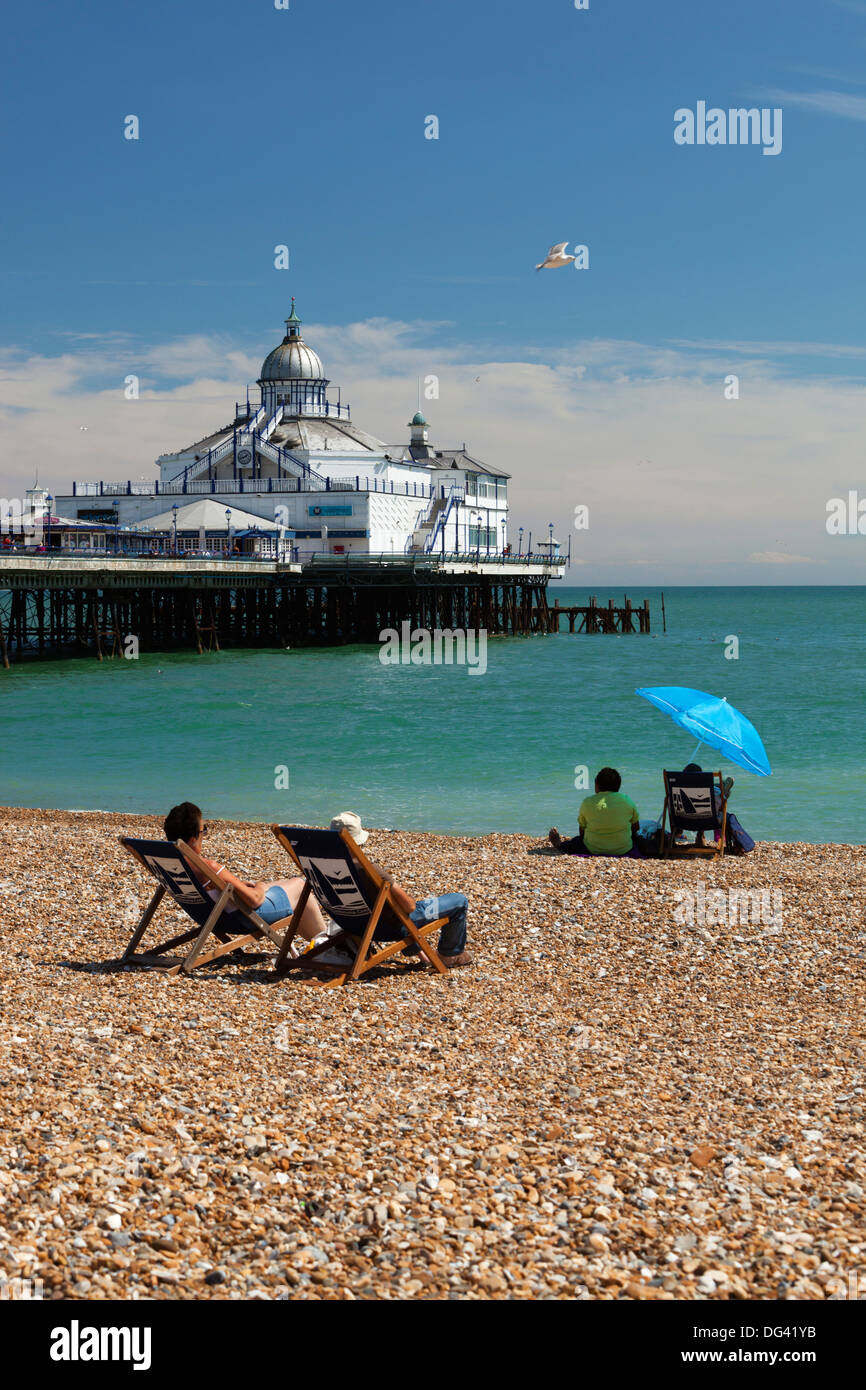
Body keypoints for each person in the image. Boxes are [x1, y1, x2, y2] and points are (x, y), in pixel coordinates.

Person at [329, 811, 473, 969]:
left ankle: (422, 953)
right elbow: (409, 908)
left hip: (352, 923)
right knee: (459, 900)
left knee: (391, 909)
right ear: (357, 841)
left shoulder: (323, 869)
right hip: (388, 926)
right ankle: (450, 955)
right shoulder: (370, 870)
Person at [163, 802, 327, 939]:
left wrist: (239, 886)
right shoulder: (209, 868)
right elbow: (255, 900)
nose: (204, 835)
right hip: (243, 919)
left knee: (283, 884)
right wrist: (260, 886)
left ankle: (316, 947)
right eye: (203, 831)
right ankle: (325, 946)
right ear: (193, 839)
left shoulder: (168, 864)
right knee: (300, 885)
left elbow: (212, 890)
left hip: (211, 917)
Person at [548, 766, 640, 857]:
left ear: (596, 785)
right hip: (623, 849)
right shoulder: (627, 800)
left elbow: (582, 831)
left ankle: (559, 844)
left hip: (593, 849)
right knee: (639, 839)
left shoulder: (587, 802)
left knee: (575, 842)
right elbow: (636, 827)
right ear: (618, 786)